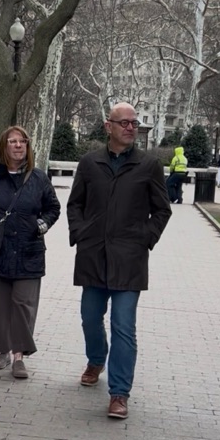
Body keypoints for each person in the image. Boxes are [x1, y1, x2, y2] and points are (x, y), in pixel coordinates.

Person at [67, 102, 171, 419]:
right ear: (108, 126)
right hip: (93, 255)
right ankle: (96, 359)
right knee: (90, 318)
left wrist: (145, 238)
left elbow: (162, 209)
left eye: (134, 123)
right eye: (123, 122)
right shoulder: (89, 163)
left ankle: (119, 393)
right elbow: (75, 204)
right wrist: (81, 233)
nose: (130, 128)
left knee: (123, 326)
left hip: (129, 258)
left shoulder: (148, 165)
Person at [0, 125, 61, 379]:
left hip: (29, 251)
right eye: (12, 141)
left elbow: (53, 208)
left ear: (27, 146)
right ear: (4, 146)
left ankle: (19, 355)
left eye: (22, 141)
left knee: (23, 305)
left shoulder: (39, 178)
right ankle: (3, 350)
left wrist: (42, 224)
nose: (18, 145)